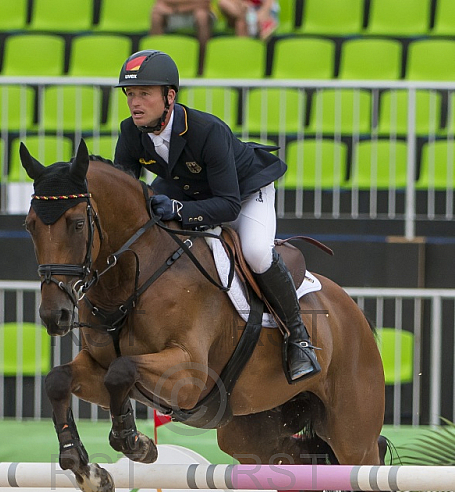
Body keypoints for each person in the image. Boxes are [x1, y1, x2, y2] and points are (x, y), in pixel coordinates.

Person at [113, 50, 320, 383]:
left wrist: (178, 209)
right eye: (130, 94)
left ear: (169, 96)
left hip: (245, 193)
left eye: (144, 94)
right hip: (191, 192)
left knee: (254, 251)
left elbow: (227, 206)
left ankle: (299, 338)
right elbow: (125, 195)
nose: (135, 102)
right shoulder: (130, 133)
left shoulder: (206, 131)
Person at [149, 0, 213, 72]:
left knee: (202, 16)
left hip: (192, 11)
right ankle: (154, 62)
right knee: (156, 13)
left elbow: (203, 3)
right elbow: (161, 2)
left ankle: (202, 64)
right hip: (175, 11)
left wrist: (176, 8)